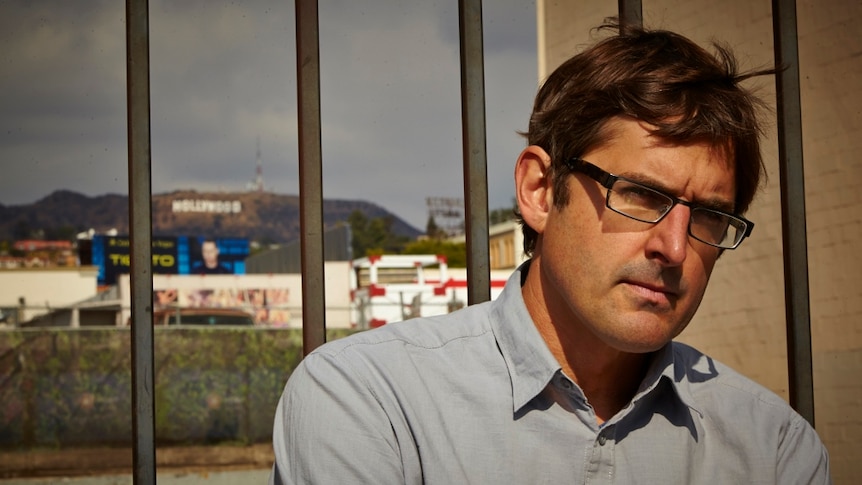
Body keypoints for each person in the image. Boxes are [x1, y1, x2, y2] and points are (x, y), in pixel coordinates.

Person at [270, 19, 831, 484]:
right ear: (539, 191)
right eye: (639, 194)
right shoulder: (373, 401)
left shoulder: (772, 448)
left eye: (708, 215)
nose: (674, 246)